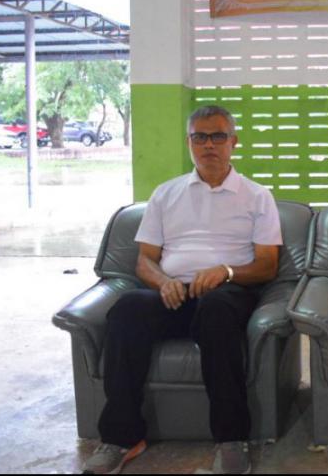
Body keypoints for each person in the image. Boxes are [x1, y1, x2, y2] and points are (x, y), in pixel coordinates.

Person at [83, 105, 282, 475]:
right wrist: (164, 281)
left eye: (218, 136)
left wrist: (225, 271)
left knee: (216, 308)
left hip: (228, 293)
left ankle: (231, 441)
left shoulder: (257, 196)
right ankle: (121, 438)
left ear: (234, 142)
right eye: (199, 137)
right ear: (189, 142)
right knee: (127, 308)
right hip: (173, 294)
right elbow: (145, 261)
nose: (209, 145)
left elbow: (267, 265)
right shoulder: (166, 194)